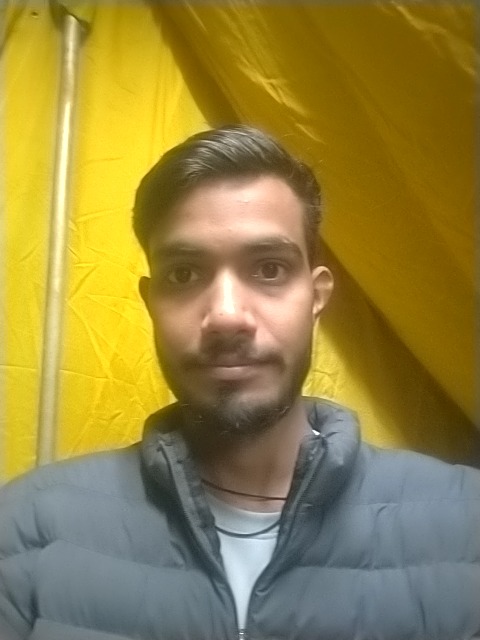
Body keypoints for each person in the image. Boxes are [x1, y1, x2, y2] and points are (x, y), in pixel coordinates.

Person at [0, 125, 479, 640]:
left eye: (269, 269)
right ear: (151, 302)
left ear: (316, 296)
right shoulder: (27, 531)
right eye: (184, 274)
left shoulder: (467, 526)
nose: (227, 316)